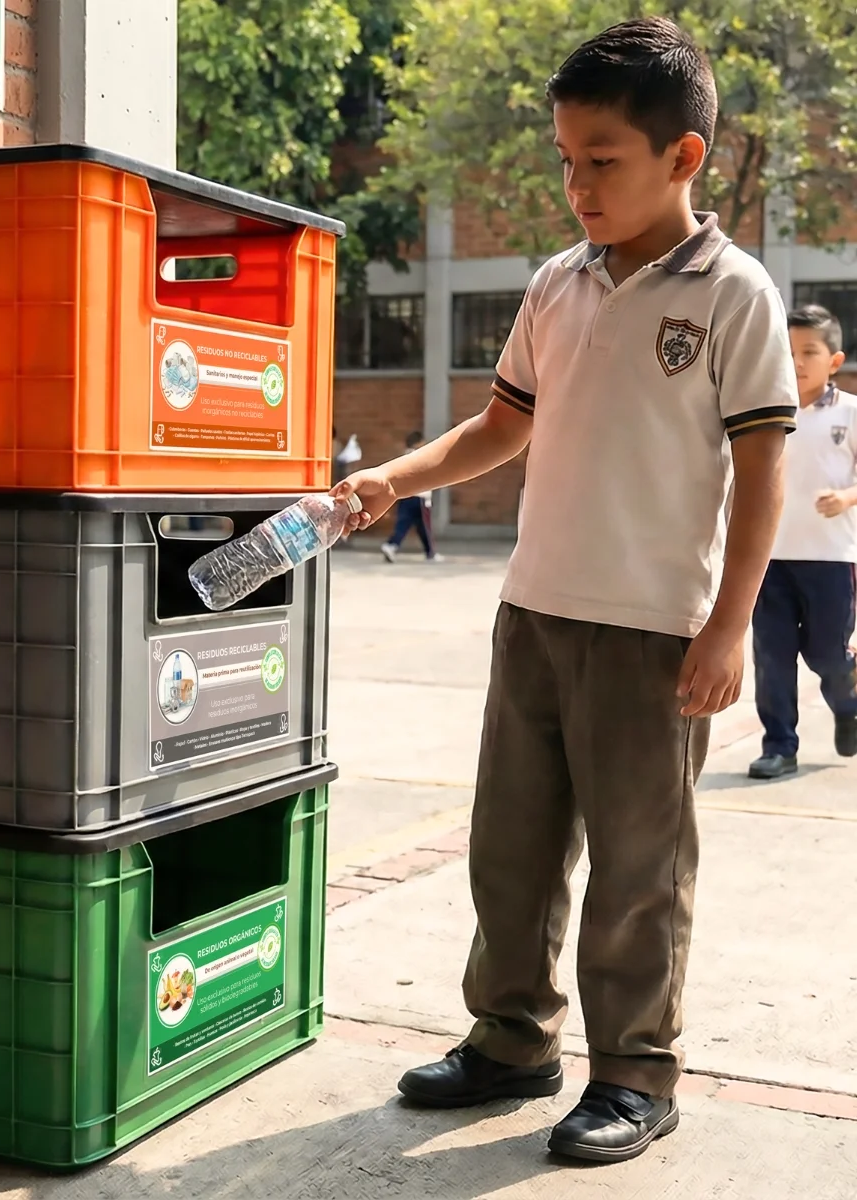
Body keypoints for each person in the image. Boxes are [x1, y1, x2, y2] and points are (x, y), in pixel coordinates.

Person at [333, 18, 796, 1164]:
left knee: (641, 866)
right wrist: (392, 475)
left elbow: (762, 471)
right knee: (514, 849)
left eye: (603, 160)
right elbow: (502, 428)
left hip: (653, 631)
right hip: (533, 614)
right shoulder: (557, 284)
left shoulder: (736, 296)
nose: (576, 186)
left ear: (682, 158)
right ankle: (511, 1042)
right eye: (564, 160)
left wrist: (729, 626)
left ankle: (636, 1070)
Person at [748, 305, 857, 779]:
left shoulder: (851, 413)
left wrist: (848, 497)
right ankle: (779, 746)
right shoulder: (765, 412)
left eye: (809, 352)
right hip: (768, 558)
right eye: (788, 351)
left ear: (834, 360)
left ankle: (850, 703)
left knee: (827, 654)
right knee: (771, 655)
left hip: (831, 559)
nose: (796, 362)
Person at [381, 432, 443, 562]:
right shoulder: (421, 456)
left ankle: (392, 545)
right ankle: (430, 553)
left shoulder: (404, 457)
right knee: (425, 527)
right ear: (418, 443)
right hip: (420, 497)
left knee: (404, 524)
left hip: (405, 496)